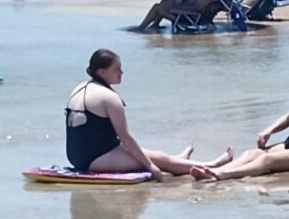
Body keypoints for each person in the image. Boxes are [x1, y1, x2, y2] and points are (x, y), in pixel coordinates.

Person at [65, 49, 232, 178]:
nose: (122, 72)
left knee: (159, 157)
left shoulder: (80, 88)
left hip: (75, 156)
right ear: (102, 72)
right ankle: (212, 165)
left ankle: (179, 160)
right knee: (158, 162)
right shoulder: (108, 97)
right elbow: (125, 137)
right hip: (96, 159)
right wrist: (150, 167)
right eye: (117, 69)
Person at [136, 0, 232, 31]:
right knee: (164, 1)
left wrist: (179, 7)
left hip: (186, 17)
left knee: (157, 7)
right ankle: (155, 25)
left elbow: (198, 8)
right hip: (188, 14)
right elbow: (200, 6)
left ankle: (141, 27)